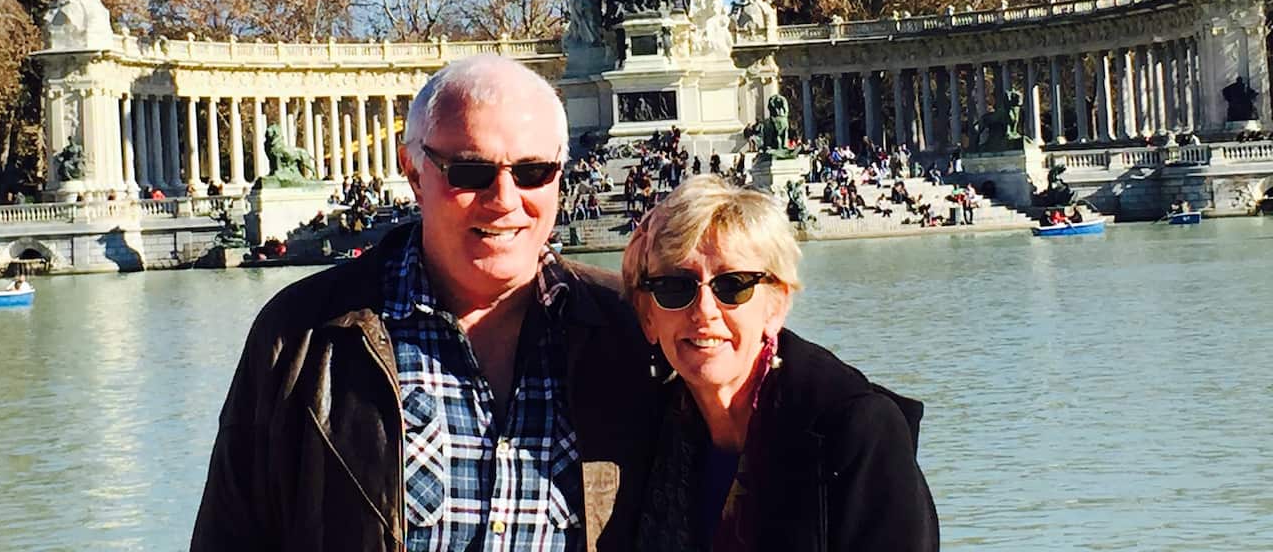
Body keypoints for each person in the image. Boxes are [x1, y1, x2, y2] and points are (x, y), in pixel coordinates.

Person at [192, 55, 660, 550]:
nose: (504, 198)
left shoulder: (633, 327)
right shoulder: (300, 335)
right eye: (469, 172)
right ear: (413, 172)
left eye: (533, 172)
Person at [621, 175, 938, 550]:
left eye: (733, 285)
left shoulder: (858, 431)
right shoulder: (639, 426)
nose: (704, 311)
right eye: (675, 286)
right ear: (647, 316)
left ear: (776, 305)